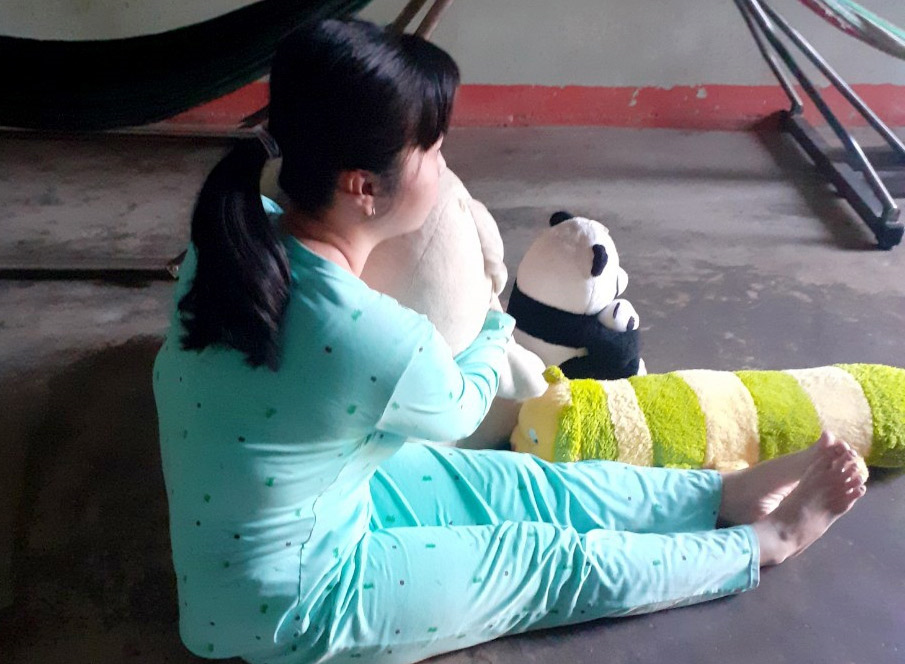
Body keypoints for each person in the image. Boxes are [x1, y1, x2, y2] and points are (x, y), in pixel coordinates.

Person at [153, 18, 867, 664]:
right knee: (544, 559)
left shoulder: (237, 236)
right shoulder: (372, 337)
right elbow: (466, 403)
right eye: (433, 150)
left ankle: (717, 494)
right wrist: (497, 323)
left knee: (515, 481)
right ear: (363, 187)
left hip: (307, 514)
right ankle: (763, 543)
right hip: (298, 603)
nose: (443, 166)